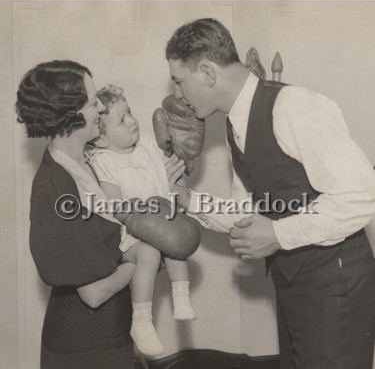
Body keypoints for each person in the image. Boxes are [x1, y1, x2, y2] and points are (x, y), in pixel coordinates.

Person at [164, 18, 375, 369]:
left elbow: (361, 194)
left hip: (336, 288)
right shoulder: (236, 123)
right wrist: (187, 199)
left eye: (179, 82)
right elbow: (249, 212)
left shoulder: (293, 105)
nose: (178, 95)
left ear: (207, 71)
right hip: (294, 286)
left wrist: (278, 234)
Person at [16, 60, 200, 368]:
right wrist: (148, 256)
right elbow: (94, 293)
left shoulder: (90, 162)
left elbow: (117, 241)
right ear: (69, 117)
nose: (101, 106)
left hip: (113, 337)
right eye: (92, 101)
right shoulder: (55, 186)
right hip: (83, 348)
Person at [88, 84, 197, 357]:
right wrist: (142, 215)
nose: (132, 121)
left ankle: (181, 294)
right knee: (149, 252)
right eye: (122, 120)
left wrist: (176, 172)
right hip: (134, 230)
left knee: (177, 245)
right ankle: (142, 320)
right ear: (101, 139)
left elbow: (171, 175)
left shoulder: (146, 143)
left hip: (162, 217)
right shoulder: (104, 160)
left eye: (130, 112)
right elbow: (115, 205)